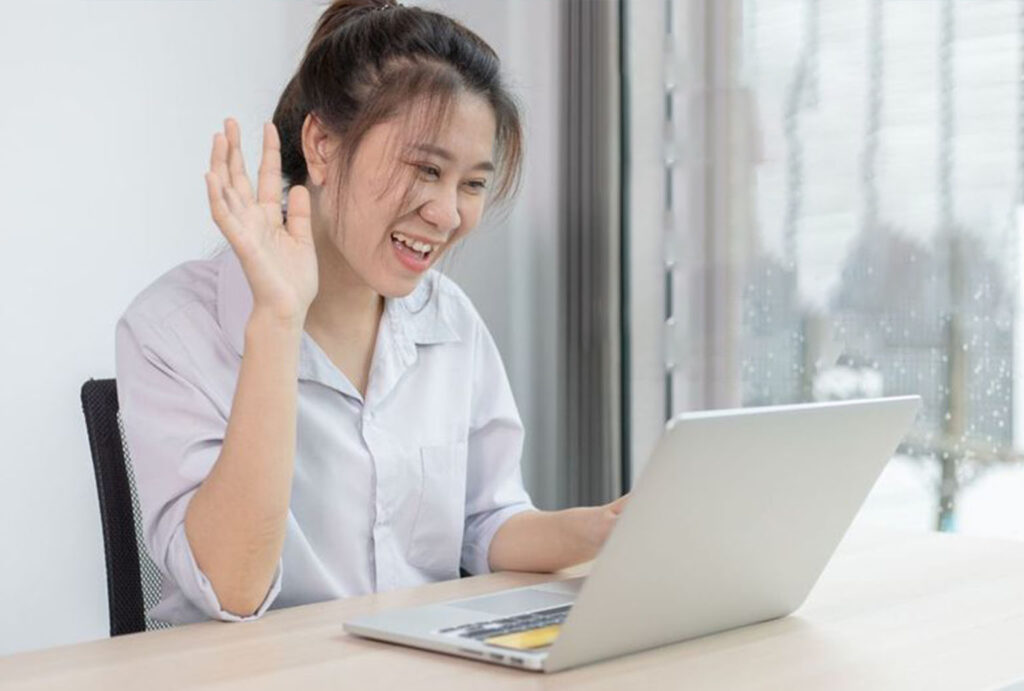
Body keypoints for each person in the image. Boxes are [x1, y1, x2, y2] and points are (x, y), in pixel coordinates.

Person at [116, 0, 627, 625]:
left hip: (421, 662)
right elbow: (233, 589)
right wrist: (279, 318)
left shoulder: (450, 320)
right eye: (426, 169)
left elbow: (489, 522)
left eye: (471, 183)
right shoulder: (172, 329)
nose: (446, 213)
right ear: (324, 145)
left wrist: (604, 529)